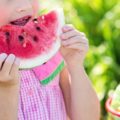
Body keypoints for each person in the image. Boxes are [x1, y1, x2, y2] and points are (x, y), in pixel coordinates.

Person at [0, 0, 100, 120]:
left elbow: (88, 117)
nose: (25, 6)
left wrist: (76, 66)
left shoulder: (54, 55)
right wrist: (7, 91)